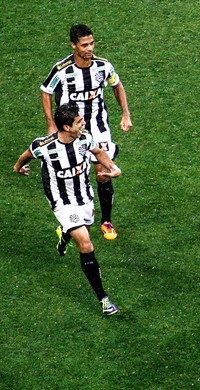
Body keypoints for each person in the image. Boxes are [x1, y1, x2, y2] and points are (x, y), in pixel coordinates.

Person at [14, 103, 122, 316]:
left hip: (84, 197)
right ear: (65, 126)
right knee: (86, 243)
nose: (83, 124)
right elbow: (27, 154)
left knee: (85, 232)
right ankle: (103, 298)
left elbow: (99, 152)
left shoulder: (85, 138)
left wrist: (113, 168)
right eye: (79, 122)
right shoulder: (44, 146)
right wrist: (18, 167)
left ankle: (64, 234)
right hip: (62, 201)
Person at [40, 24, 132, 240]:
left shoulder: (103, 67)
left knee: (102, 172)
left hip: (98, 128)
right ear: (73, 45)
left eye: (91, 43)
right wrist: (51, 124)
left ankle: (106, 221)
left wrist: (125, 114)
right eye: (84, 45)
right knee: (74, 173)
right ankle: (70, 221)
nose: (89, 48)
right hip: (71, 131)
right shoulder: (62, 69)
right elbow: (46, 91)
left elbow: (117, 85)